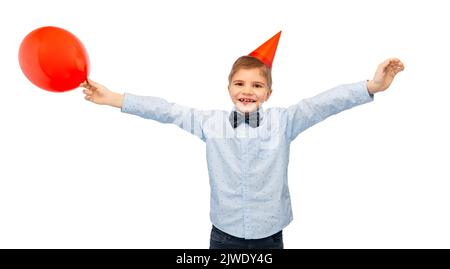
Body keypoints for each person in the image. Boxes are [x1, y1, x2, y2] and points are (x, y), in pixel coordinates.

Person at [80, 32, 404, 249]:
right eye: (240, 83)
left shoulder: (284, 121)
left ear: (269, 93)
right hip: (224, 235)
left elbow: (323, 103)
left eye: (256, 85)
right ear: (229, 89)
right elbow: (166, 110)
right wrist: (114, 98)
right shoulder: (210, 123)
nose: (247, 91)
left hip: (270, 234)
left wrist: (371, 86)